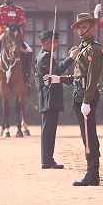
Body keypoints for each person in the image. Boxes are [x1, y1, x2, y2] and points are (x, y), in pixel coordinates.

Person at [54, 12, 103, 186]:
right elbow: (78, 77)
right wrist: (58, 79)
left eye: (84, 26)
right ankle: (92, 171)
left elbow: (92, 78)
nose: (81, 30)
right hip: (79, 94)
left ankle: (92, 173)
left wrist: (87, 100)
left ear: (92, 27)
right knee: (86, 135)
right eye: (79, 27)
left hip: (85, 96)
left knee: (89, 136)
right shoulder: (83, 48)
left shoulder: (94, 49)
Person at [35, 29, 73, 170]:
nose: (57, 45)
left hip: (51, 98)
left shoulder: (47, 56)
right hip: (48, 98)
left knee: (50, 130)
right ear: (46, 43)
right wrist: (71, 58)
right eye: (54, 42)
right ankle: (46, 160)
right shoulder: (45, 57)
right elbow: (56, 72)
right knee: (48, 131)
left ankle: (48, 159)